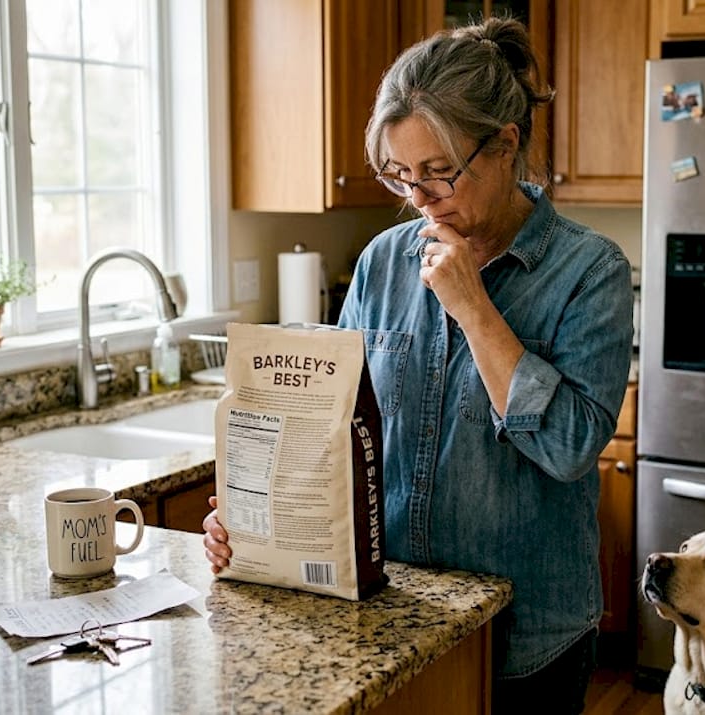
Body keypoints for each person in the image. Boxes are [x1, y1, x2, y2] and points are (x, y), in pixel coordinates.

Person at [202, 16, 634, 714]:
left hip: (527, 638)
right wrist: (256, 520)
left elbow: (571, 447)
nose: (420, 198)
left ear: (505, 146)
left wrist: (474, 308)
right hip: (396, 623)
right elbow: (334, 432)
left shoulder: (589, 271)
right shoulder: (382, 261)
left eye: (439, 172)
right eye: (402, 174)